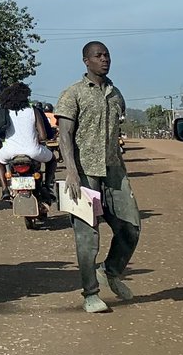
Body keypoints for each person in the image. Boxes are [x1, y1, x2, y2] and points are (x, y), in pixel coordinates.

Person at [56, 41, 140, 314]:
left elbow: (117, 134)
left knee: (130, 228)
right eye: (98, 56)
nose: (104, 60)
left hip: (114, 171)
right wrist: (70, 171)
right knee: (87, 237)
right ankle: (90, 293)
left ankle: (111, 271)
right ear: (86, 61)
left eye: (107, 55)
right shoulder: (73, 94)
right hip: (83, 173)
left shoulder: (116, 94)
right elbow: (65, 136)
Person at [0, 82, 54, 206]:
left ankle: (4, 189)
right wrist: (37, 139)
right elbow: (44, 135)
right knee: (52, 160)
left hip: (10, 152)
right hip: (33, 151)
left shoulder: (4, 112)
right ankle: (47, 186)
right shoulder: (34, 111)